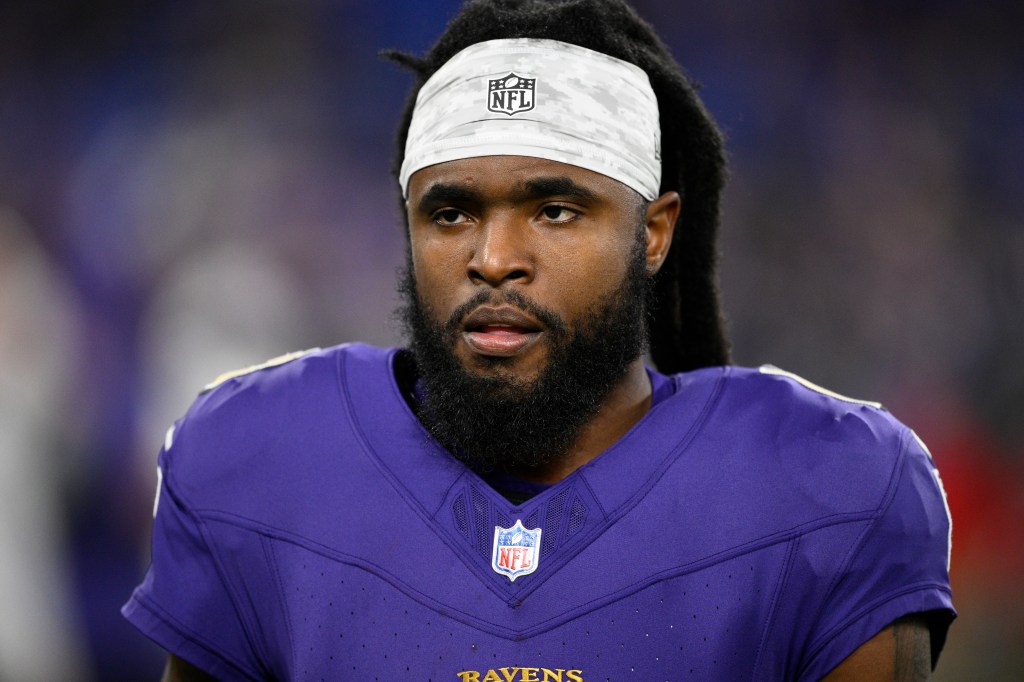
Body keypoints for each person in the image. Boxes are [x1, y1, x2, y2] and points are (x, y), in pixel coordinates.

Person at [123, 0, 955, 679]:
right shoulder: (256, 461)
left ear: (655, 232)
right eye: (452, 213)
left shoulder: (831, 484)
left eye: (555, 211)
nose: (494, 259)